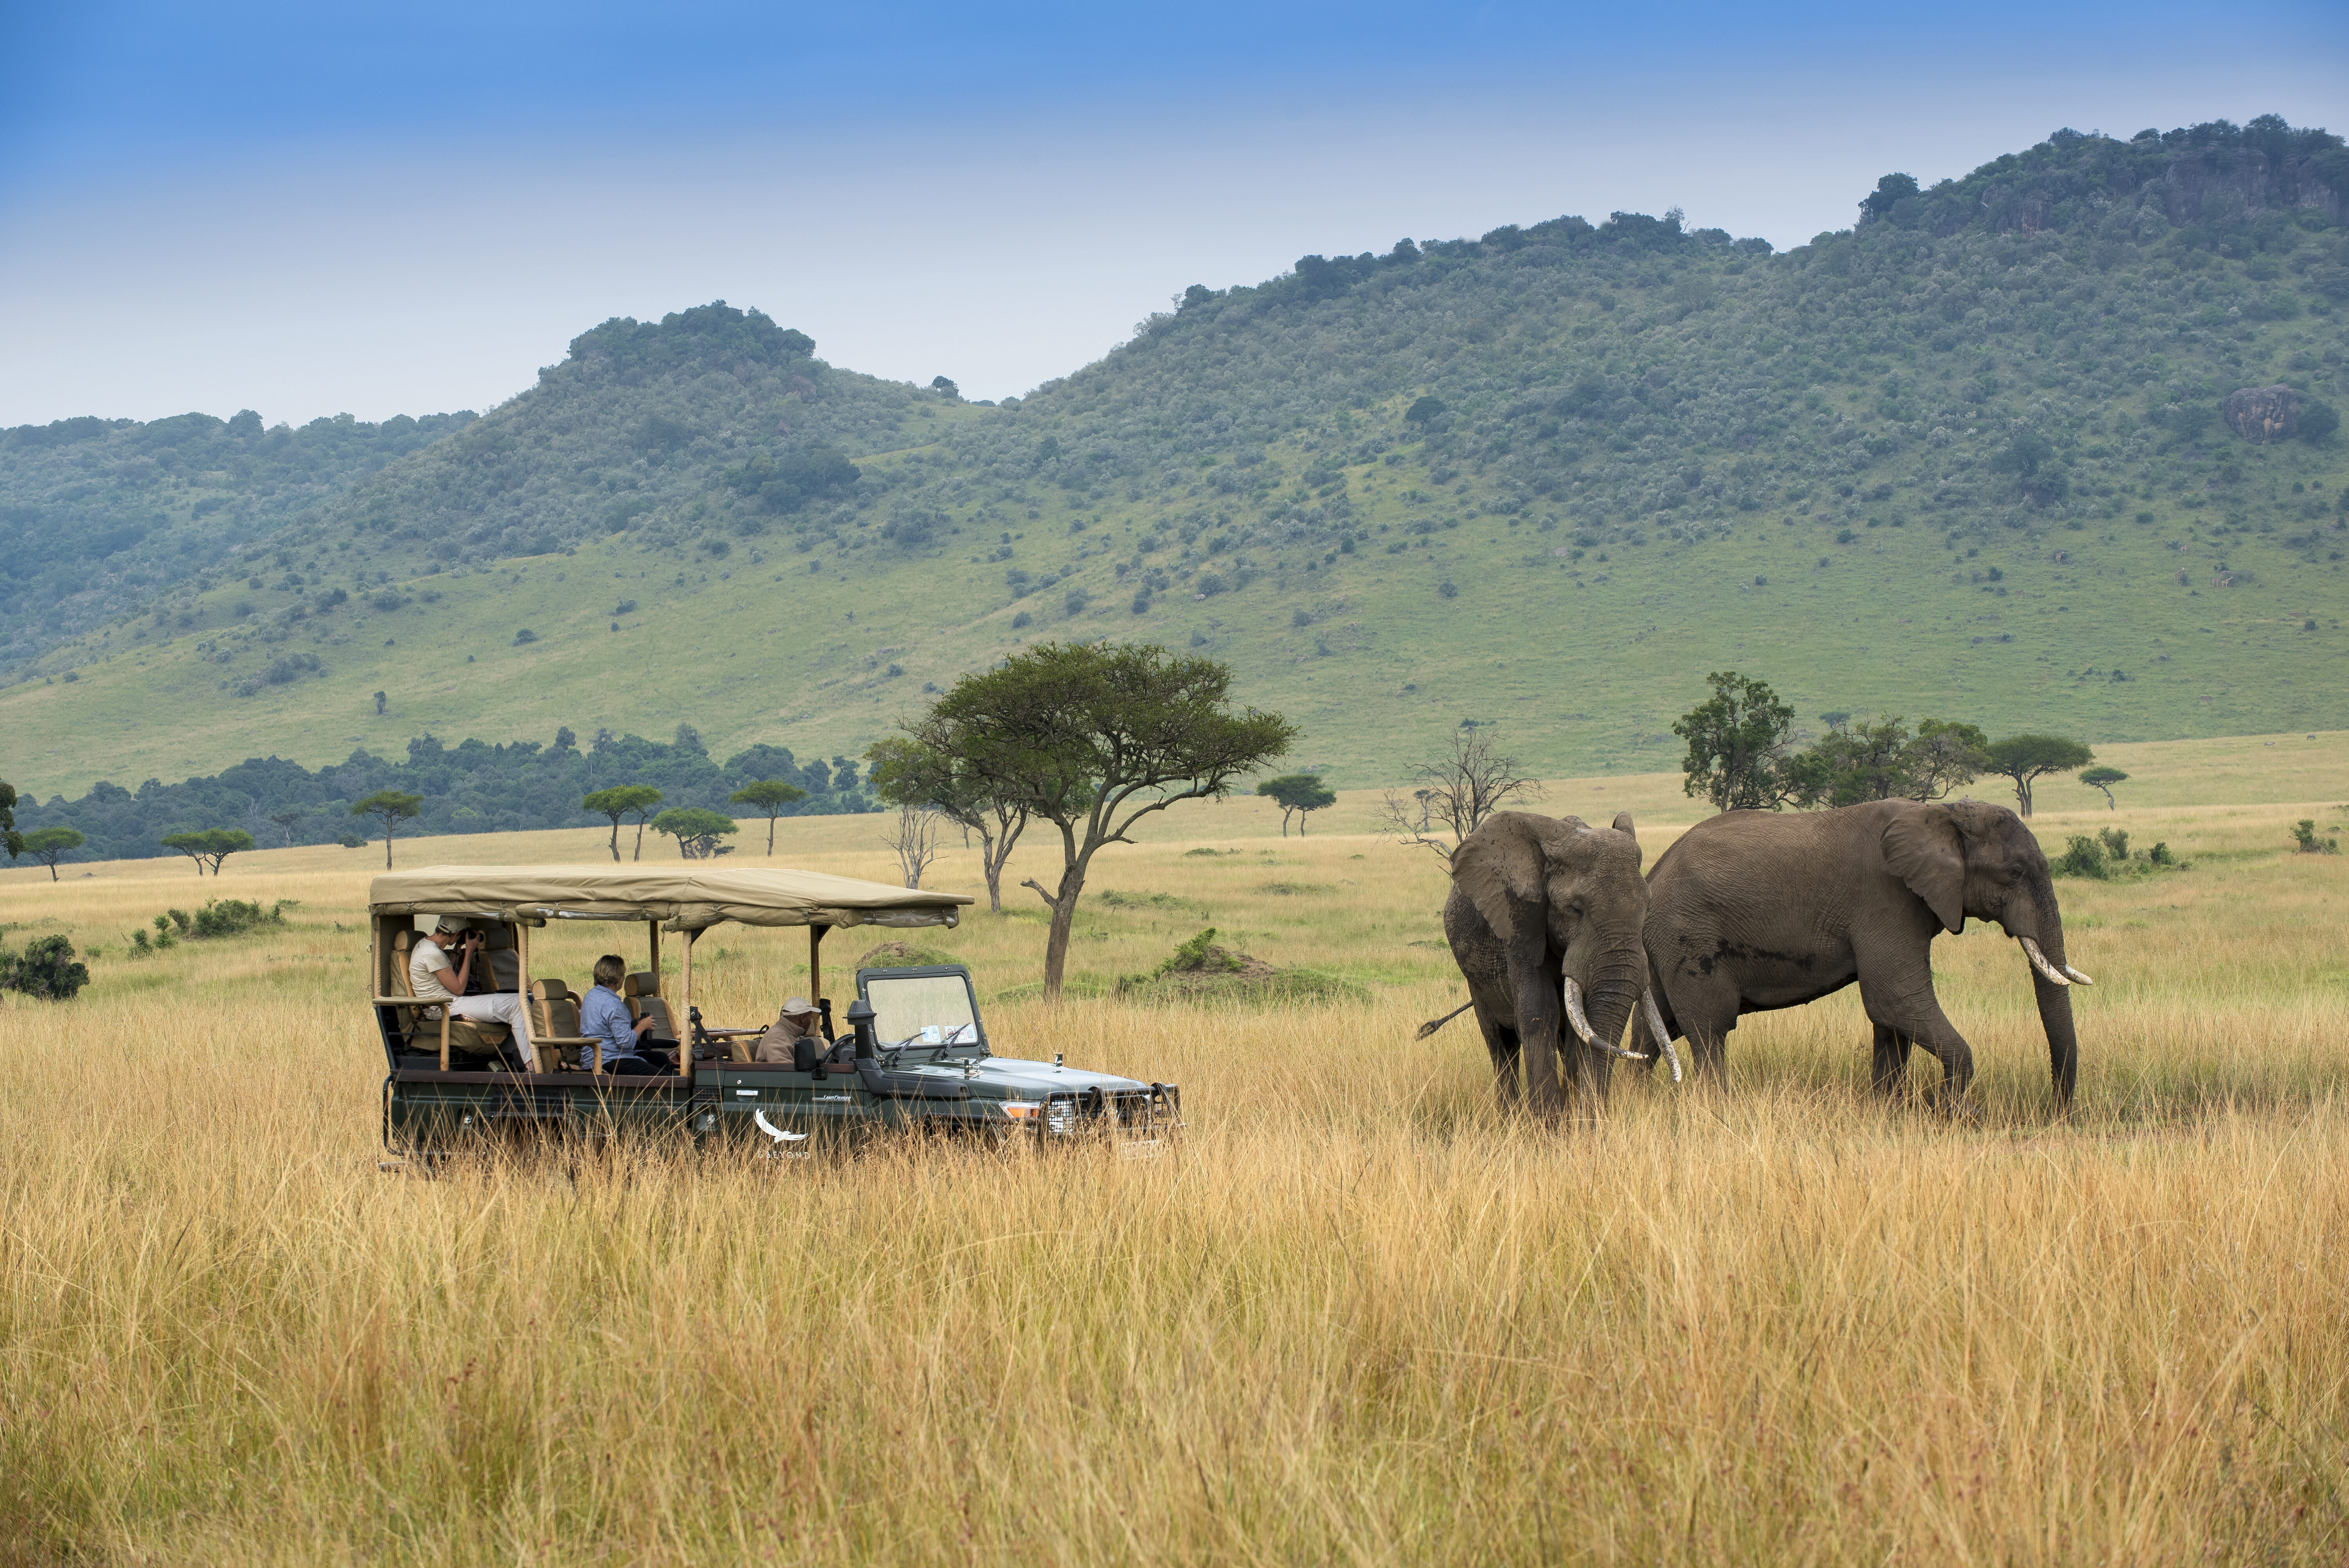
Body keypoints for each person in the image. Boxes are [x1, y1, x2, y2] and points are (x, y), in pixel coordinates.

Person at [408, 915, 536, 1070]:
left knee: (521, 998)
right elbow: (459, 989)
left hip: (445, 1003)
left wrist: (457, 948)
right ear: (456, 934)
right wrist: (469, 952)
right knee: (518, 1004)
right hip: (444, 1008)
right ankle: (531, 1065)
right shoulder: (433, 954)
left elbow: (445, 975)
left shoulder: (425, 945)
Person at [581, 953, 671, 1074]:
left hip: (592, 1059)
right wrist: (643, 1026)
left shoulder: (591, 995)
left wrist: (633, 1025)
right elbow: (626, 1043)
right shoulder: (614, 1005)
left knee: (661, 1059)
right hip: (610, 1060)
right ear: (618, 978)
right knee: (666, 1079)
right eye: (623, 975)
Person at [754, 996, 828, 1065]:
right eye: (810, 1018)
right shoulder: (777, 1036)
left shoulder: (793, 1035)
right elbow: (786, 1072)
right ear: (803, 1018)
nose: (811, 1022)